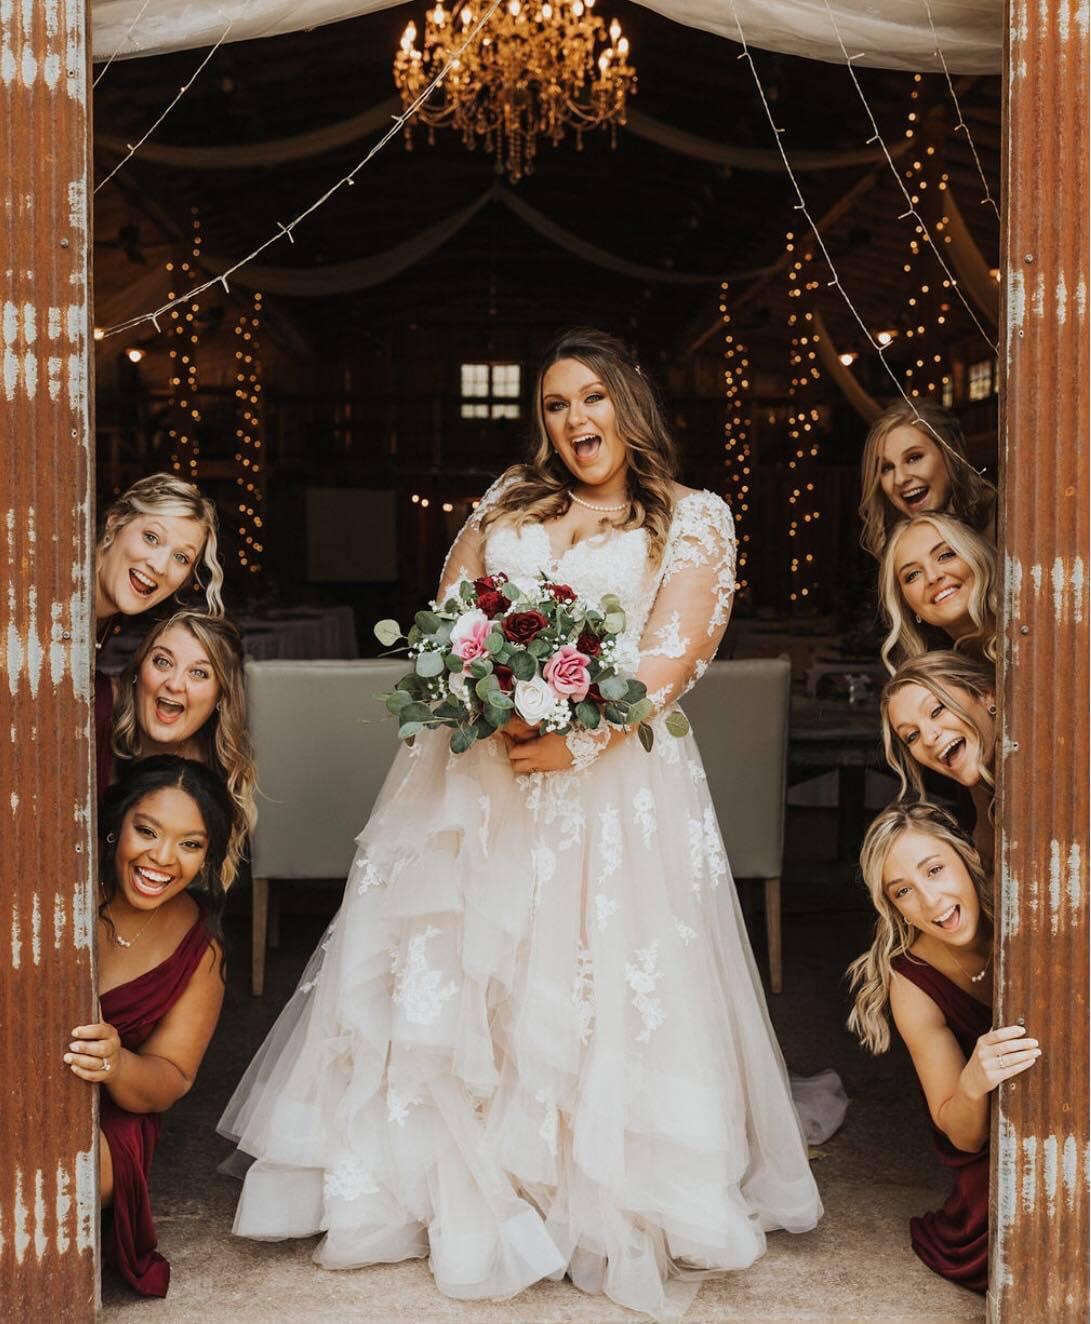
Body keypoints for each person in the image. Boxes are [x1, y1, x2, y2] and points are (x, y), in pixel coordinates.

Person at [220, 329, 835, 1321]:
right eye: (555, 404)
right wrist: (482, 698)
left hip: (609, 781)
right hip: (475, 773)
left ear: (628, 406)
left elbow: (673, 654)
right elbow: (449, 619)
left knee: (590, 963)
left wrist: (576, 740)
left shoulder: (689, 517)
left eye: (591, 397)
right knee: (461, 962)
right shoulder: (507, 503)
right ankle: (444, 1173)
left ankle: (586, 1180)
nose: (574, 420)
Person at [847, 802, 1040, 1294]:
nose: (932, 901)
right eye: (904, 891)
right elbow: (963, 1137)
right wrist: (974, 1080)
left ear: (967, 857)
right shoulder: (911, 982)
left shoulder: (1032, 901)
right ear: (893, 906)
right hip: (1005, 1149)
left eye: (935, 869)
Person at [65, 755, 234, 1296]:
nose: (162, 858)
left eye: (190, 844)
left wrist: (116, 1063)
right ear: (115, 827)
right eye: (147, 832)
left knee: (65, 1178)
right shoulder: (60, 889)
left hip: (115, 1111)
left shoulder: (200, 948)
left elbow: (171, 1077)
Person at [105, 611, 257, 889]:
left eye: (199, 673)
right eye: (162, 662)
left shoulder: (214, 779)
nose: (174, 684)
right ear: (139, 669)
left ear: (222, 696)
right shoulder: (92, 725)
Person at [94, 473, 225, 789]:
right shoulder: (55, 597)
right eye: (151, 537)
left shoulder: (101, 620)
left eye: (181, 557)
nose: (161, 566)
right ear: (114, 522)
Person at [881, 651, 996, 870]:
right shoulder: (984, 793)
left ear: (986, 695)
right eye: (911, 736)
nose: (928, 738)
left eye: (936, 711)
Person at [858, 401, 996, 561]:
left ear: (950, 451)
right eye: (887, 468)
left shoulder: (1005, 523)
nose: (900, 479)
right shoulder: (900, 549)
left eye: (914, 458)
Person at [878, 512, 998, 672]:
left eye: (945, 555)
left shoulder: (1035, 633)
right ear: (906, 605)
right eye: (913, 575)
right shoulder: (936, 682)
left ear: (978, 557)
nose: (933, 577)